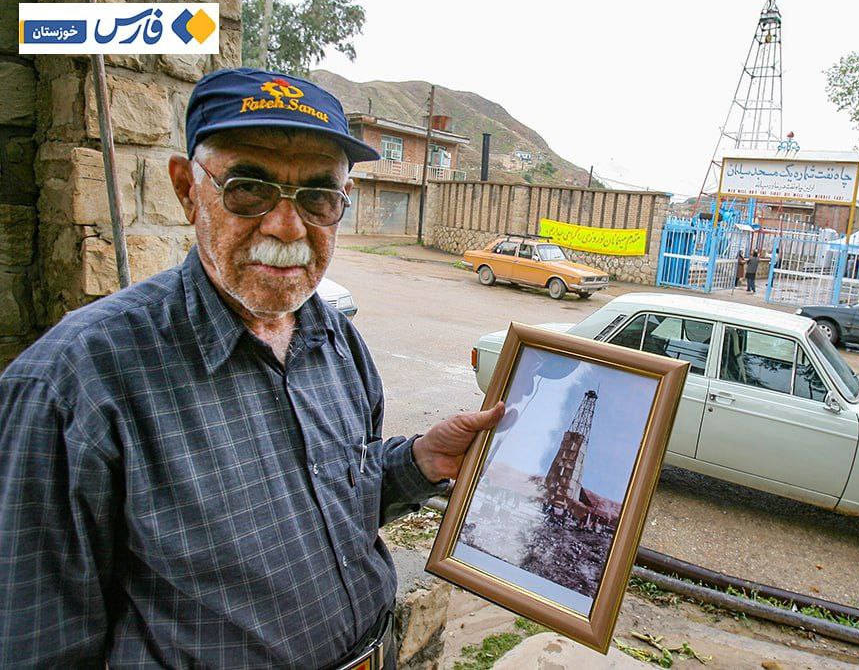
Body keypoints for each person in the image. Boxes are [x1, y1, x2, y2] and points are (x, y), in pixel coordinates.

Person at [0, 67, 504, 668]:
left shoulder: (339, 341)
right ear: (188, 190)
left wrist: (419, 462)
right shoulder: (73, 384)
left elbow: (341, 498)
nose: (287, 227)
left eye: (319, 196)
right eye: (248, 188)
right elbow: (37, 645)